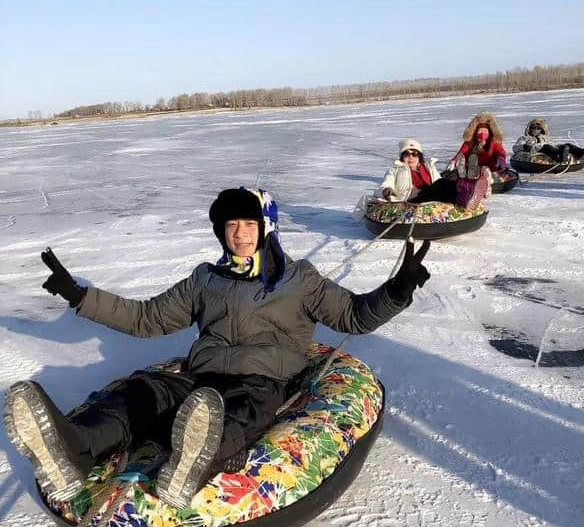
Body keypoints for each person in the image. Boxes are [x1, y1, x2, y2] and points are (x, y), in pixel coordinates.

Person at [4, 187, 430, 510]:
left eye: (248, 224)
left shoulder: (299, 279)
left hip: (263, 379)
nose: (239, 234)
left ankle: (193, 465)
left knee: (239, 410)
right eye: (230, 226)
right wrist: (80, 296)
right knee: (142, 392)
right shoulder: (205, 279)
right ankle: (71, 451)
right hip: (199, 379)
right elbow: (146, 318)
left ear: (266, 226)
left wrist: (397, 289)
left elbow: (353, 316)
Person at [376, 138, 491, 210]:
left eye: (415, 154)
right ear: (402, 157)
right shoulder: (395, 170)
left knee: (446, 183)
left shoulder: (428, 167)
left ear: (419, 156)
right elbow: (384, 186)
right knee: (441, 183)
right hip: (412, 201)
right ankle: (469, 190)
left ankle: (472, 192)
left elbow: (438, 183)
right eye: (407, 154)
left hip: (431, 197)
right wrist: (386, 191)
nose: (411, 157)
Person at [448, 113, 508, 178]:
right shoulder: (470, 142)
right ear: (476, 132)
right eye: (480, 131)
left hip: (490, 168)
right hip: (472, 167)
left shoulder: (493, 142)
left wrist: (501, 158)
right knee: (462, 157)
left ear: (489, 132)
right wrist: (453, 160)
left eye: (485, 131)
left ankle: (482, 175)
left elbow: (500, 151)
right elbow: (462, 152)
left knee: (486, 170)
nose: (482, 134)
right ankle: (463, 173)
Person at [512, 118, 584, 164]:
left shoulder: (545, 138)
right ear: (530, 129)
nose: (536, 130)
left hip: (551, 147)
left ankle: (581, 153)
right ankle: (558, 157)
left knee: (566, 145)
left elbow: (554, 144)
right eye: (534, 127)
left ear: (542, 130)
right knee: (547, 147)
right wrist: (524, 147)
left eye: (538, 128)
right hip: (537, 149)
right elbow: (515, 148)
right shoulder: (524, 138)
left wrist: (563, 147)